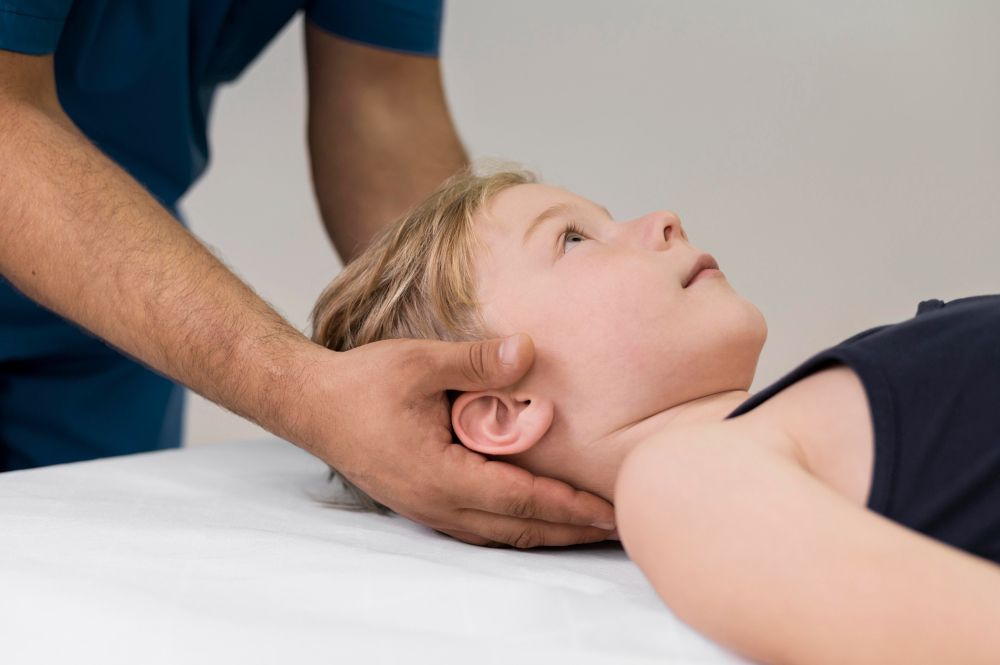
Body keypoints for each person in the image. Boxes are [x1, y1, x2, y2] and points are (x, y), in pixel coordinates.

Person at [310, 163, 1000, 663]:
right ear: (503, 409)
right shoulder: (676, 481)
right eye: (574, 239)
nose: (664, 218)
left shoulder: (797, 423)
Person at [0, 2, 616, 548]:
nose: (666, 222)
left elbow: (383, 99)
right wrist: (303, 390)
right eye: (575, 239)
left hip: (100, 322)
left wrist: (483, 361)